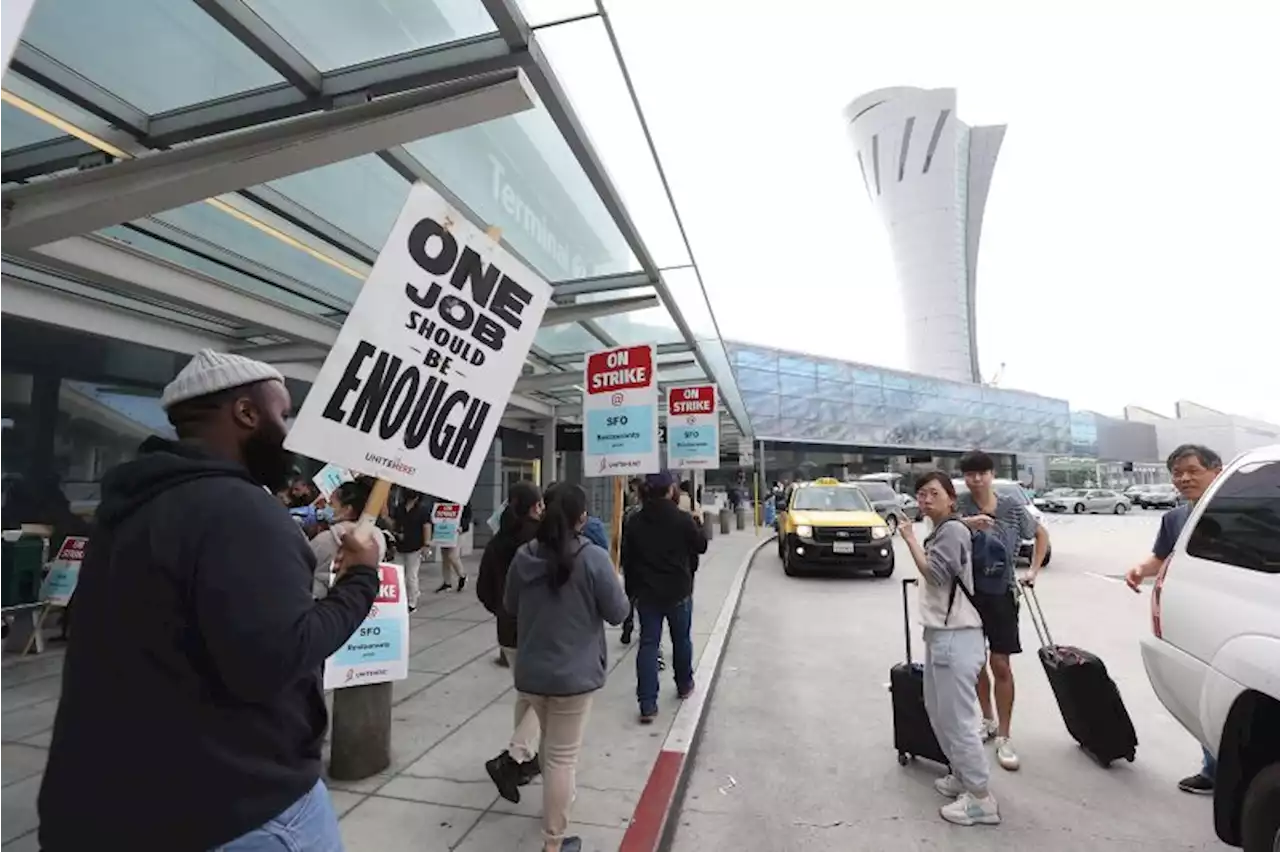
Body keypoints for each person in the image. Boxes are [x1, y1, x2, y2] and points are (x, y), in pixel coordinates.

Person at [38, 349, 381, 852]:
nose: (289, 431)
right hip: (240, 809)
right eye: (282, 414)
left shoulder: (129, 507)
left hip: (106, 806)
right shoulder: (239, 511)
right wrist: (362, 580)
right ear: (246, 413)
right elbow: (277, 659)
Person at [495, 483, 629, 852]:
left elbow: (509, 604)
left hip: (534, 671)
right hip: (574, 676)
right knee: (561, 759)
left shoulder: (524, 556)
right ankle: (554, 843)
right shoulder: (594, 558)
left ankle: (556, 815)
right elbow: (619, 614)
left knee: (553, 751)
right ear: (582, 518)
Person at [900, 471, 1001, 826]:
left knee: (956, 720)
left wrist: (910, 540)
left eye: (932, 493)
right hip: (943, 634)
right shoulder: (948, 527)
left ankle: (980, 798)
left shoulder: (951, 530)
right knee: (938, 711)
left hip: (956, 637)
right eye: (920, 494)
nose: (924, 499)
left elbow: (937, 575)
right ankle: (962, 775)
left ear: (950, 499)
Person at [1125, 443, 1223, 794]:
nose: (1184, 478)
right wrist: (1141, 569)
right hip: (1192, 620)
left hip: (1236, 619)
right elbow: (1160, 557)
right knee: (1203, 696)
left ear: (1217, 470)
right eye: (1178, 473)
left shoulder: (1238, 512)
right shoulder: (1175, 518)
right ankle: (1213, 770)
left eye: (1193, 470)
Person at [955, 450, 1048, 772]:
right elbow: (940, 533)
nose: (976, 479)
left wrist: (1033, 570)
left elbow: (1039, 533)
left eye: (982, 473)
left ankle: (1005, 736)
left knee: (1001, 664)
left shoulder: (1010, 507)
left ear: (991, 474)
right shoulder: (960, 505)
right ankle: (987, 720)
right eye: (970, 474)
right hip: (968, 593)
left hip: (1003, 593)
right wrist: (967, 523)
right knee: (976, 661)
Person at [622, 471, 706, 723]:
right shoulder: (682, 519)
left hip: (647, 593)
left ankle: (647, 703)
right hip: (678, 590)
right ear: (671, 490)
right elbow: (700, 546)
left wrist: (632, 591)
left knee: (648, 643)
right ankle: (684, 683)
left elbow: (628, 560)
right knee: (681, 639)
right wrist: (698, 523)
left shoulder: (635, 522)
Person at [479, 481, 545, 783]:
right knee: (543, 696)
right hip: (536, 631)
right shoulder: (540, 541)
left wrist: (502, 611)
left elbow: (483, 590)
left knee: (526, 694)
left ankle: (525, 758)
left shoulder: (497, 541)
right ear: (535, 507)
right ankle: (515, 755)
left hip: (507, 633)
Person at [310, 479, 387, 599]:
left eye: (331, 504)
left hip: (322, 600)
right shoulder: (378, 538)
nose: (326, 507)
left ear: (347, 510)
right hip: (362, 600)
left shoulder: (323, 540)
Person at [394, 489, 433, 611]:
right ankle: (402, 598)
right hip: (400, 545)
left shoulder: (422, 509)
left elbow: (427, 526)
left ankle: (412, 602)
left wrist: (426, 544)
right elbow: (395, 524)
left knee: (411, 575)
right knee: (398, 575)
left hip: (415, 546)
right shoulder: (400, 507)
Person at [436, 501, 470, 593]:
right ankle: (447, 582)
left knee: (452, 556)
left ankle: (462, 575)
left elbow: (467, 515)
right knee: (445, 557)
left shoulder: (463, 499)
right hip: (445, 528)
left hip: (458, 530)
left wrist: (463, 526)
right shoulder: (442, 498)